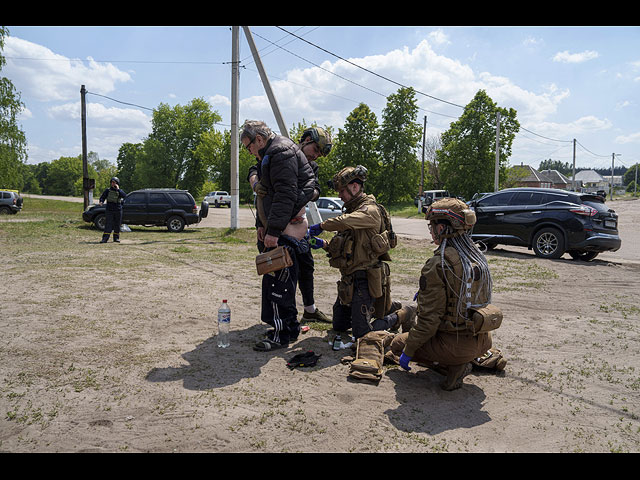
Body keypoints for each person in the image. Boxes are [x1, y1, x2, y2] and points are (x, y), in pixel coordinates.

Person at [388, 197, 506, 391]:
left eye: (432, 226)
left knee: (397, 344)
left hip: (455, 346)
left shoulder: (439, 263)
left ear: (442, 229)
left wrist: (408, 351)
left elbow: (428, 323)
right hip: (483, 341)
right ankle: (457, 362)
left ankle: (454, 366)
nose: (432, 230)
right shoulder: (477, 257)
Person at [308, 165, 416, 341]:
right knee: (339, 326)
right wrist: (324, 244)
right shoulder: (352, 210)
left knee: (362, 334)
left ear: (355, 187)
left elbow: (346, 221)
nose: (339, 196)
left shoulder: (369, 211)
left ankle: (403, 314)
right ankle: (388, 307)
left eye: (342, 191)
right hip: (349, 280)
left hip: (365, 279)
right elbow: (347, 245)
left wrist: (321, 226)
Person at [241, 120, 316, 351]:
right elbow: (267, 196)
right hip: (280, 226)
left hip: (284, 230)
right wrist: (261, 224)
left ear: (259, 139)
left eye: (248, 146)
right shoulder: (271, 153)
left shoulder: (279, 152)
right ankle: (288, 327)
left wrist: (273, 231)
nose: (249, 151)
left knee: (277, 281)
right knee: (280, 279)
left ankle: (282, 334)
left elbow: (285, 194)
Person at [248, 127, 332, 324]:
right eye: (316, 150)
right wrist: (261, 223)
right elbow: (259, 183)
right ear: (307, 140)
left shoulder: (310, 167)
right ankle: (283, 320)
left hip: (294, 224)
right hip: (276, 225)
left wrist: (297, 196)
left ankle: (309, 310)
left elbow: (314, 190)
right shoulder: (278, 154)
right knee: (280, 270)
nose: (317, 156)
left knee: (306, 267)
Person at [98, 177, 126, 243]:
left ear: (117, 183)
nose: (113, 184)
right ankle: (105, 238)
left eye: (114, 182)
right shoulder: (108, 190)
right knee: (108, 224)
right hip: (109, 209)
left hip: (118, 209)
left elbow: (124, 196)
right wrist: (101, 201)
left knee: (117, 224)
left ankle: (116, 238)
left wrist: (118, 189)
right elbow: (102, 197)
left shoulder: (120, 191)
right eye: (112, 182)